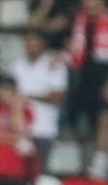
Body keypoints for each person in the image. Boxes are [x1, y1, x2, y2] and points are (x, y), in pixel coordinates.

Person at [66, 0, 108, 180]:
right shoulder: (83, 23)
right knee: (89, 119)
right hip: (91, 73)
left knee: (107, 113)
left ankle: (100, 163)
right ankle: (89, 160)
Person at [14, 30, 69, 169]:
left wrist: (28, 96)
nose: (31, 44)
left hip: (44, 129)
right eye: (27, 40)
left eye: (34, 40)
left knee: (39, 175)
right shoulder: (18, 65)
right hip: (20, 130)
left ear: (43, 44)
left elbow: (58, 97)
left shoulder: (54, 64)